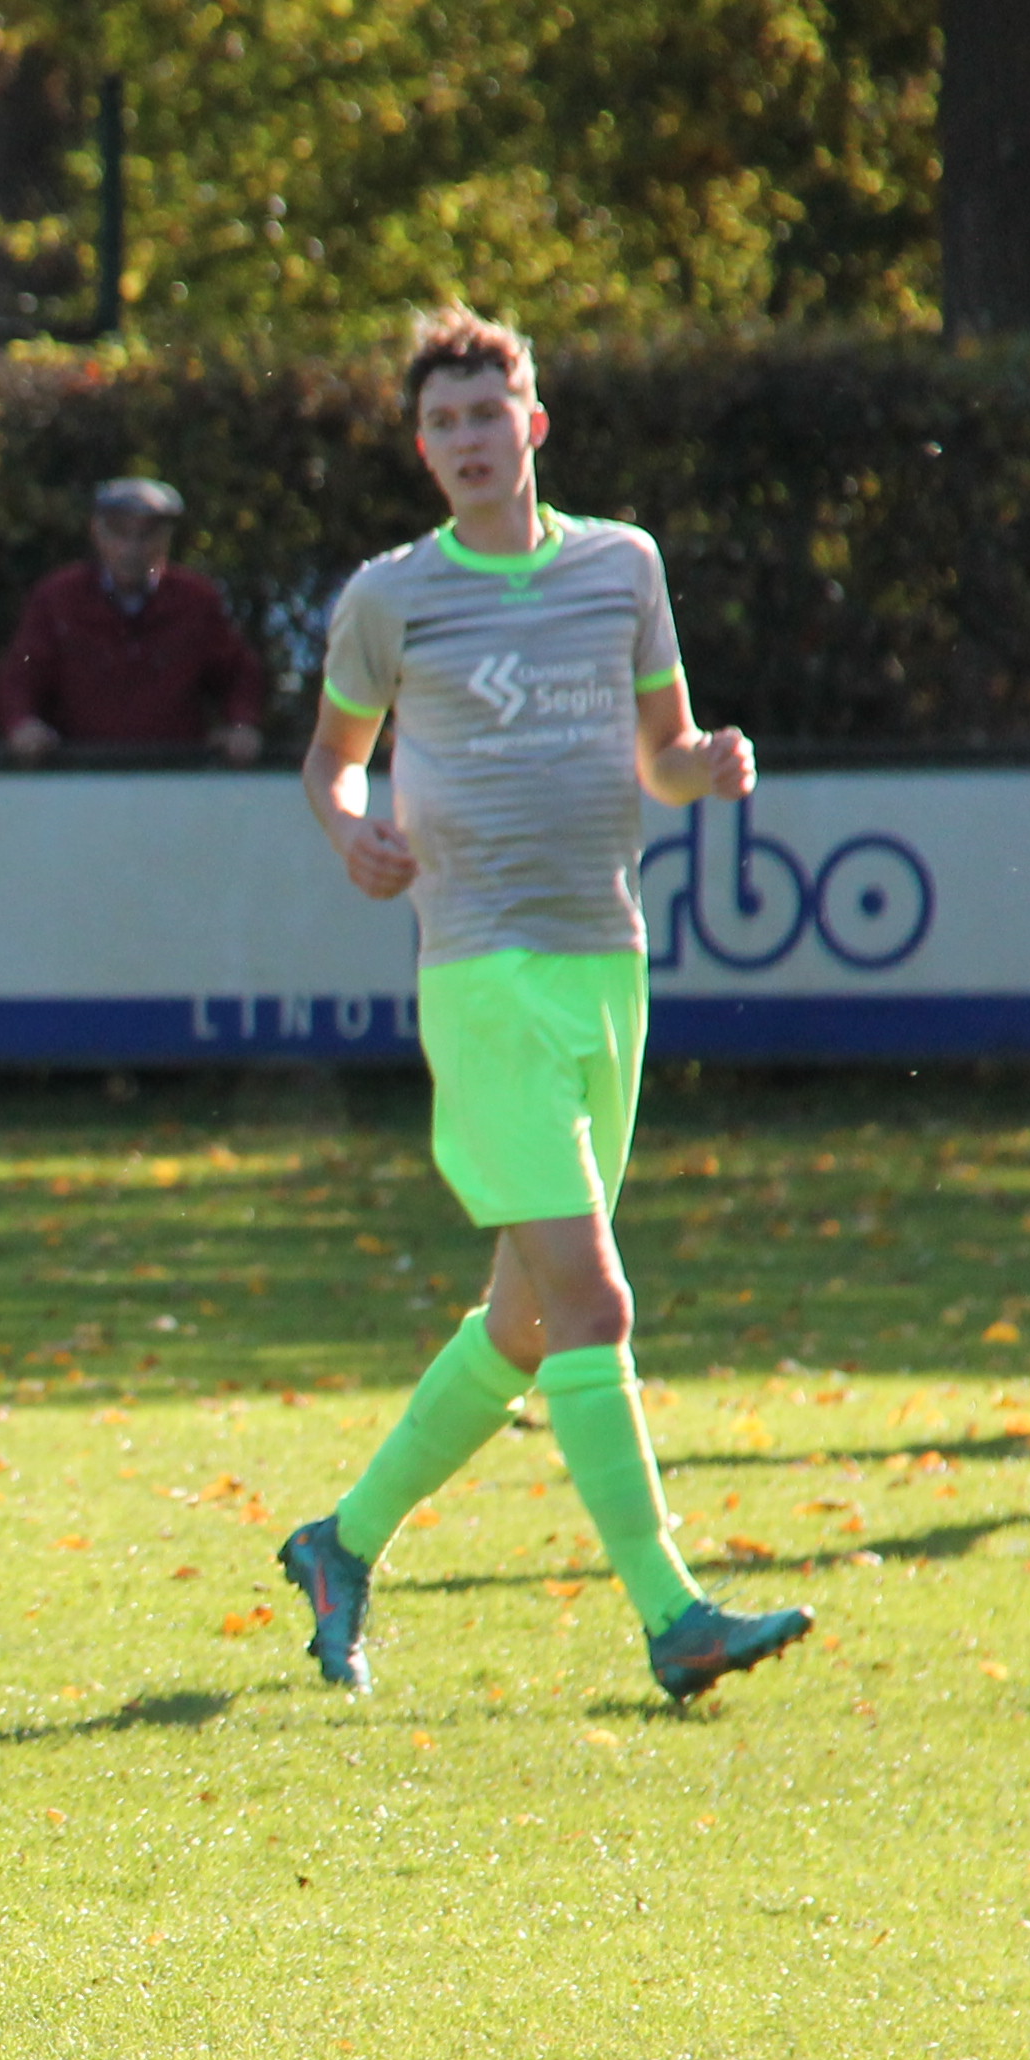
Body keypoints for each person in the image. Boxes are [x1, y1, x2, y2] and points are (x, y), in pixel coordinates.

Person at [271, 307, 810, 1704]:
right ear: (421, 445)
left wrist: (714, 766)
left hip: (604, 967)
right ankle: (671, 1612)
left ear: (533, 426)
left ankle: (342, 1543)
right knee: (596, 1303)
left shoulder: (622, 566)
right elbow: (330, 764)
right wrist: (350, 836)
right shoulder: (390, 598)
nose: (461, 441)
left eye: (482, 415)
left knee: (526, 1320)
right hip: (484, 976)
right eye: (439, 423)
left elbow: (665, 753)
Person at [0, 478, 267, 761]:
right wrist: (22, 723)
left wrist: (241, 724)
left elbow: (238, 672)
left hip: (176, 780)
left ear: (166, 538)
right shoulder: (58, 597)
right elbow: (20, 674)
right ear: (96, 533)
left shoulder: (196, 599)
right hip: (79, 779)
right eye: (119, 532)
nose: (132, 548)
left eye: (147, 534)